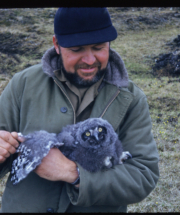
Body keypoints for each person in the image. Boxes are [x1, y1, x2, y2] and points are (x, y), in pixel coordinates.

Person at [0, 8, 159, 212]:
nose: (90, 60)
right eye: (77, 49)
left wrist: (74, 174)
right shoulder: (23, 85)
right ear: (57, 44)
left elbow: (143, 175)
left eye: (98, 47)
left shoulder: (131, 99)